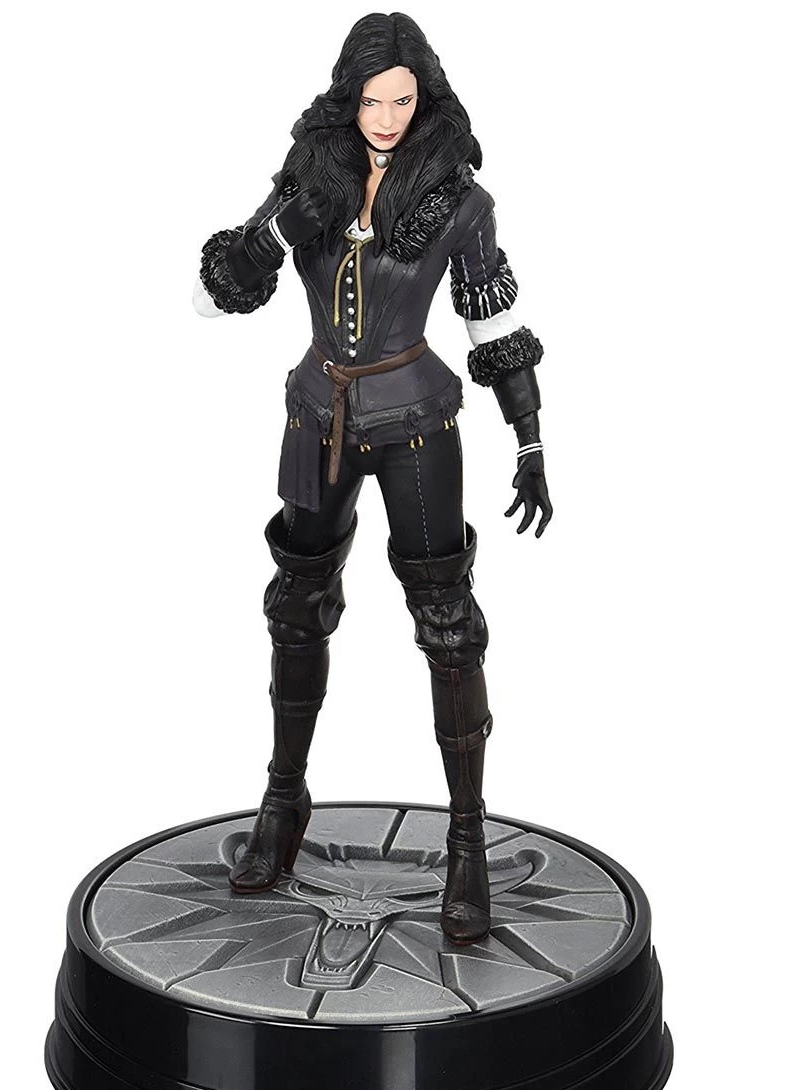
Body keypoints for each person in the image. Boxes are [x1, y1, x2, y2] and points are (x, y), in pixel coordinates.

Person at [192, 12, 552, 944]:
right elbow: (209, 299)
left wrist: (529, 438)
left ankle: (467, 843)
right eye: (371, 100)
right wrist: (278, 231)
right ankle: (283, 803)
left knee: (447, 622)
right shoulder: (309, 176)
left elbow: (491, 322)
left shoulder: (460, 200)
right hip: (316, 415)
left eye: (402, 100)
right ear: (346, 98)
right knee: (295, 601)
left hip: (418, 427)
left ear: (424, 99)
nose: (387, 118)